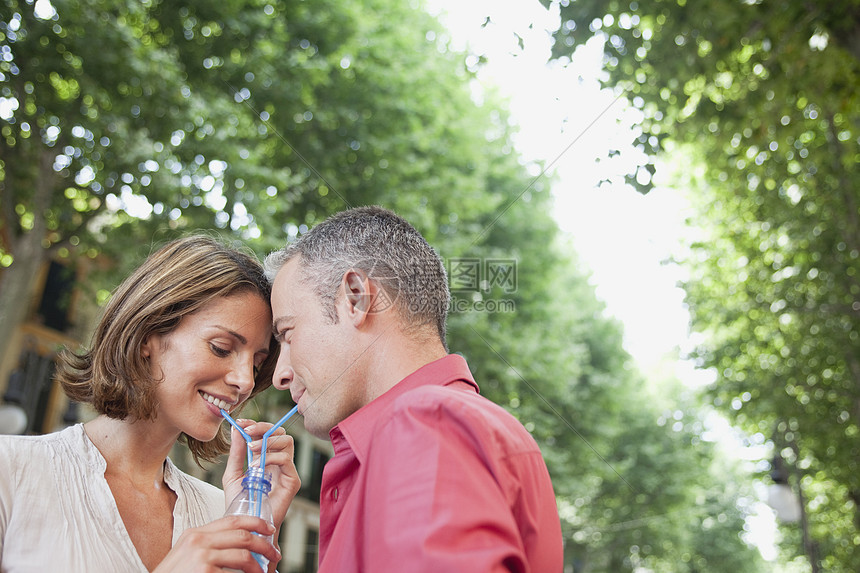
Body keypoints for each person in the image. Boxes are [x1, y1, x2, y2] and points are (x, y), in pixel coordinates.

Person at [264, 206, 564, 572]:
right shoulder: (478, 426)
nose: (280, 373)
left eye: (288, 334)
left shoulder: (424, 422)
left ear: (356, 298)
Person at [0, 235, 300, 573]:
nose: (246, 381)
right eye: (220, 347)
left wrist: (255, 530)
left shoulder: (223, 511)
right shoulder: (10, 472)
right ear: (147, 337)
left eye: (257, 363)